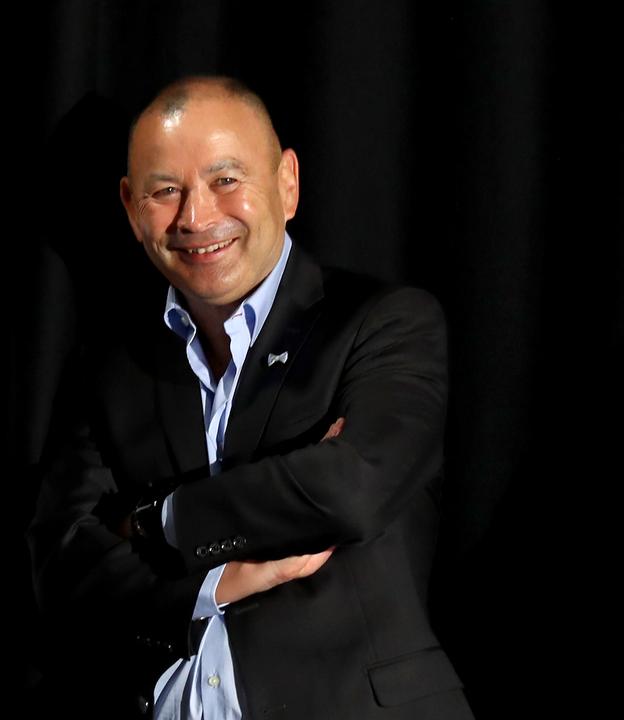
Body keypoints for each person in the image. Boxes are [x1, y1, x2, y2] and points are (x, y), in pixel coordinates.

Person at [29, 76, 472, 719]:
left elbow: (350, 489)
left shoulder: (384, 324)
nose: (197, 217)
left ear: (287, 183)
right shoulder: (105, 364)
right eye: (164, 191)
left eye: (226, 180)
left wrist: (156, 521)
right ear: (130, 208)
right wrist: (217, 581)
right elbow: (60, 570)